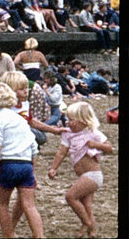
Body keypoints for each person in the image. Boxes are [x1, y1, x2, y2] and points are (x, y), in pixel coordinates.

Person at [0, 81, 44, 239]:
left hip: (8, 164)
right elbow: (34, 147)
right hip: (25, 165)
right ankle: (39, 235)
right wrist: (33, 172)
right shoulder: (21, 120)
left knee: (2, 203)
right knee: (30, 205)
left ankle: (9, 234)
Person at [48, 100, 111, 238]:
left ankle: (86, 222)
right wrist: (53, 168)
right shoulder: (68, 134)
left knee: (70, 196)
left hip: (93, 175)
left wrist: (96, 145)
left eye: (72, 120)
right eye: (67, 119)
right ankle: (92, 231)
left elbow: (109, 148)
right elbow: (61, 152)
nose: (68, 123)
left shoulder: (93, 133)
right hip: (83, 176)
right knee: (86, 204)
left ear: (84, 120)